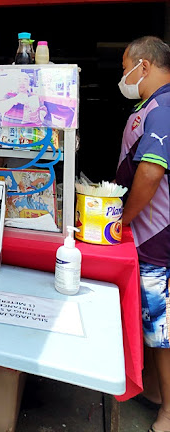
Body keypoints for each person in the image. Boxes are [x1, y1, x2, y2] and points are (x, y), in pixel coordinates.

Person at [115, 36, 170, 432]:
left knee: (162, 329)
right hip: (148, 236)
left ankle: (169, 412)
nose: (124, 77)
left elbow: (151, 171)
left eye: (125, 69)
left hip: (156, 237)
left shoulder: (164, 106)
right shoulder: (152, 106)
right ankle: (153, 390)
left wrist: (124, 219)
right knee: (152, 323)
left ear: (144, 66)